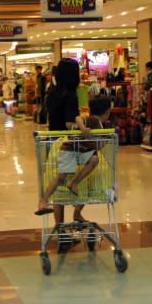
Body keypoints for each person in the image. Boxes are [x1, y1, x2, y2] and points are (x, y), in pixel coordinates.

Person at [40, 59, 91, 247]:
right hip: (67, 145)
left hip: (53, 143)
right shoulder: (71, 95)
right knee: (84, 175)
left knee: (58, 186)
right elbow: (69, 124)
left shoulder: (51, 93)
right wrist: (82, 126)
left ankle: (60, 229)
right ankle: (76, 214)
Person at [35, 96, 112, 215]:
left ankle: (74, 183)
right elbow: (78, 118)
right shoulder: (93, 120)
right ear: (107, 112)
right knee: (61, 177)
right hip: (69, 151)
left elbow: (95, 145)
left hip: (79, 152)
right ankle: (43, 201)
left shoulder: (100, 125)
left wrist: (104, 140)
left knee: (94, 159)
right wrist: (83, 128)